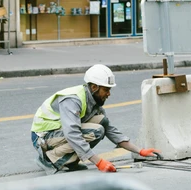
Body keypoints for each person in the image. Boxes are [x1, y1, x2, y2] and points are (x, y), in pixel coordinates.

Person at [30, 64, 160, 174]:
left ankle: (70, 162)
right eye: (106, 89)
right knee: (96, 131)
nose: (109, 94)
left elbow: (110, 129)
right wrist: (98, 162)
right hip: (43, 137)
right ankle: (49, 160)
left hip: (58, 134)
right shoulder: (73, 100)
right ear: (94, 87)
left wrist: (140, 151)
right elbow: (72, 133)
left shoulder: (93, 101)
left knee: (101, 122)